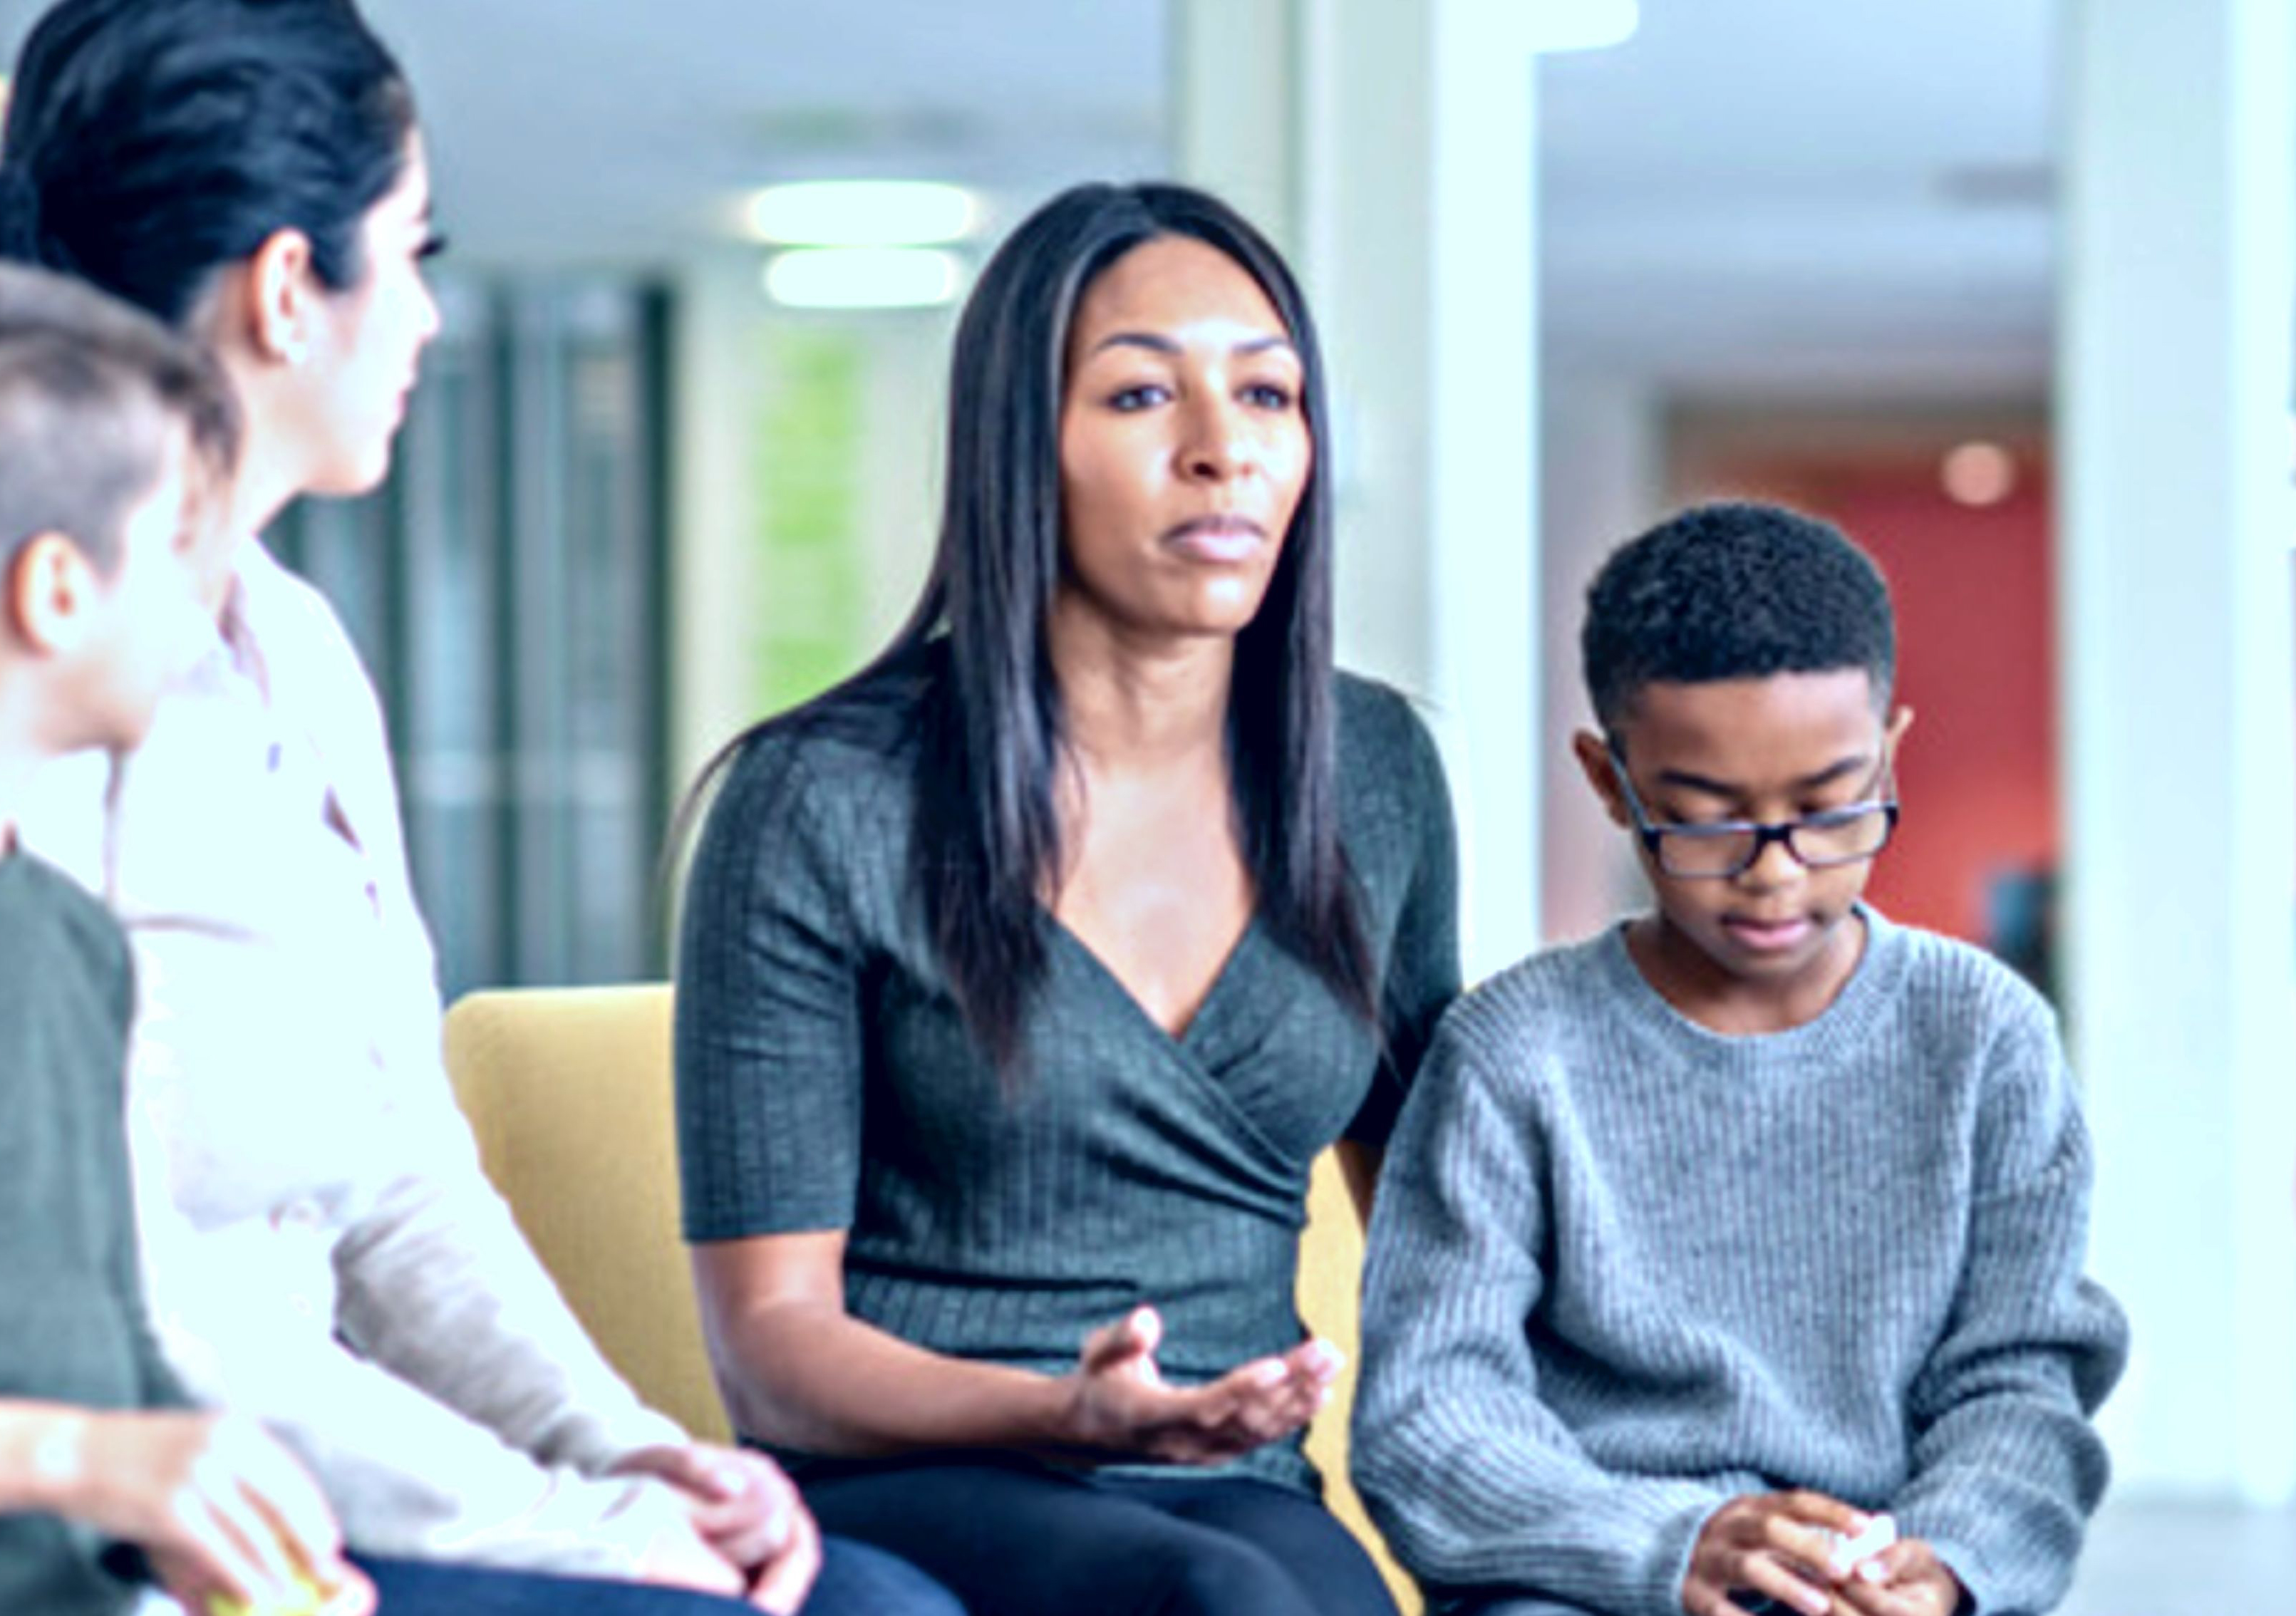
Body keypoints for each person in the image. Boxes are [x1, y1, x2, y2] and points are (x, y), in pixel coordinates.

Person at [3, 3, 955, 1612]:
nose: (432, 318)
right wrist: (557, 1526)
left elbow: (400, 1175)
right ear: (289, 292)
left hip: (346, 1478)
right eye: (414, 251)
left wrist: (628, 1456)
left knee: (863, 1596)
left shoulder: (296, 651)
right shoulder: (57, 700)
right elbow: (133, 1330)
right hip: (174, 1513)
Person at [674, 180, 1461, 1616]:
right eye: (1143, 395)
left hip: (1237, 1485)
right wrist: (1065, 1413)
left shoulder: (1378, 776)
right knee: (1221, 1604)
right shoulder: (817, 799)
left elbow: (1449, 1220)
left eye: (1270, 396)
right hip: (910, 1475)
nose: (1223, 452)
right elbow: (768, 1346)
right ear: (1019, 443)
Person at [1350, 502, 2129, 1616]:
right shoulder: (1511, 1055)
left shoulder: (1985, 1037)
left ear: (1888, 753)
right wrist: (1671, 1545)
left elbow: (2017, 1384)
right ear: (1609, 782)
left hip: (1875, 1578)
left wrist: (1948, 1563)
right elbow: (1432, 1412)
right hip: (1594, 1581)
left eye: (1828, 809)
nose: (1776, 875)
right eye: (1706, 820)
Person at [0, 264, 374, 1616]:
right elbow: (94, 1438)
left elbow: (126, 1361)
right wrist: (85, 1459)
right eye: (179, 543)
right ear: (55, 591)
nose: (211, 595)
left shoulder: (67, 946)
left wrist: (223, 1523)